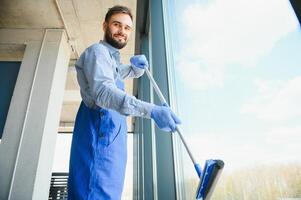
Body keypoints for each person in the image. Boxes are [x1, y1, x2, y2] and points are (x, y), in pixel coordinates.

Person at [67, 5, 181, 200]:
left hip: (110, 148)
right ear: (105, 25)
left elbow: (115, 74)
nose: (122, 31)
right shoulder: (97, 52)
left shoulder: (109, 59)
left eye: (127, 28)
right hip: (99, 143)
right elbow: (103, 92)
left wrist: (134, 70)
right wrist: (151, 110)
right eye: (117, 25)